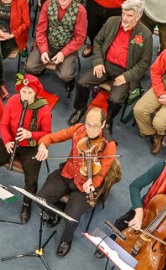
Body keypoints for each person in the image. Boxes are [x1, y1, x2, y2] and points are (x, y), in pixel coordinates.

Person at [35, 107, 118, 257]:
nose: (90, 130)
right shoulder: (78, 129)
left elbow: (102, 174)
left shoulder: (109, 145)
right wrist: (43, 145)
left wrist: (92, 183)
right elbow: (52, 137)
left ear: (103, 124)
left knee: (72, 218)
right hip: (67, 173)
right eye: (88, 124)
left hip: (85, 185)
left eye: (95, 126)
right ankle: (55, 213)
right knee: (40, 199)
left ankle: (66, 239)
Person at [70, 0, 152, 131]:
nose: (124, 18)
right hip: (104, 65)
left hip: (125, 72)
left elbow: (144, 63)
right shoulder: (112, 21)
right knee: (82, 82)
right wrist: (98, 62)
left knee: (116, 99)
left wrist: (127, 76)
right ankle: (80, 108)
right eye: (123, 13)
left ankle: (108, 120)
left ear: (138, 17)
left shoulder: (146, 35)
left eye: (129, 15)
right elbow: (97, 42)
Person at [0, 74, 53, 223]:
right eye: (23, 92)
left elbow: (47, 134)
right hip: (11, 141)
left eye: (30, 93)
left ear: (36, 93)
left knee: (31, 181)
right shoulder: (13, 101)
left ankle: (26, 204)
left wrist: (30, 134)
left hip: (31, 146)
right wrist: (7, 141)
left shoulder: (43, 108)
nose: (26, 96)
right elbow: (4, 125)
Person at [24, 0, 86, 88]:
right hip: (48, 44)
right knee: (29, 67)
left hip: (67, 48)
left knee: (66, 75)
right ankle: (42, 67)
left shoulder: (80, 10)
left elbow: (79, 38)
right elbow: (40, 30)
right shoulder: (47, 4)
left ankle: (69, 79)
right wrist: (43, 50)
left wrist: (63, 53)